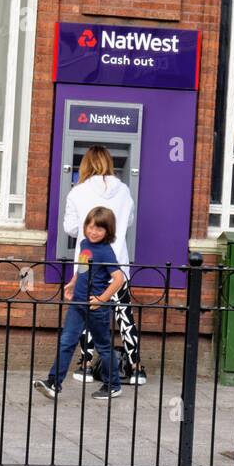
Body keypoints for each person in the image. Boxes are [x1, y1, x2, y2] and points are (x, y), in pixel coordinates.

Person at [64, 145, 147, 385]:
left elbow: (70, 228)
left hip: (87, 265)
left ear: (85, 165)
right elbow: (128, 223)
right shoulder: (124, 191)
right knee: (124, 316)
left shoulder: (77, 192)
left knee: (87, 311)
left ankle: (87, 366)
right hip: (116, 262)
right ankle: (136, 369)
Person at [32, 206, 123, 401]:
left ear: (108, 231)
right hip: (78, 304)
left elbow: (118, 279)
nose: (93, 232)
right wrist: (73, 283)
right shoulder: (84, 243)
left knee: (104, 346)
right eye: (90, 227)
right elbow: (83, 267)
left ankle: (113, 385)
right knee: (66, 341)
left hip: (95, 306)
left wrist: (102, 299)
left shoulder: (106, 252)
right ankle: (53, 383)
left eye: (99, 229)